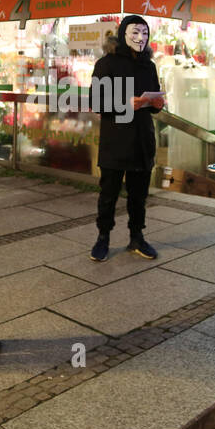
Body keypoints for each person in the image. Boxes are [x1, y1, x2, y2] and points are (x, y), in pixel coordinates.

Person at [88, 14, 163, 262]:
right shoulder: (106, 64)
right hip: (116, 141)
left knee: (139, 195)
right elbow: (96, 102)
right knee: (108, 193)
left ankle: (137, 237)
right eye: (135, 32)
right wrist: (126, 103)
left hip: (143, 140)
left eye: (144, 33)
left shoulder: (149, 66)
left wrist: (156, 103)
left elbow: (153, 104)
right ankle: (103, 238)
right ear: (123, 34)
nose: (140, 38)